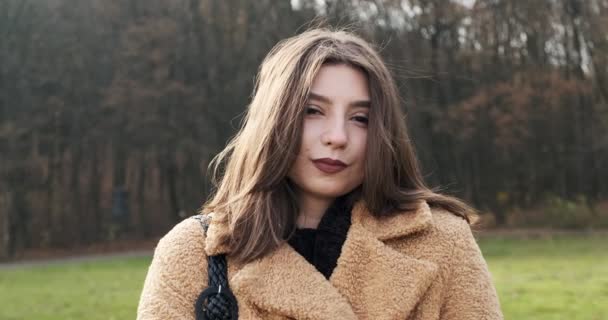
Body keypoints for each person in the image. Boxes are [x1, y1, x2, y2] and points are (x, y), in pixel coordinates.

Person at [137, 28, 503, 320]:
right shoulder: (192, 253)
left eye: (361, 118)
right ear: (273, 119)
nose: (338, 137)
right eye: (313, 111)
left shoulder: (444, 242)